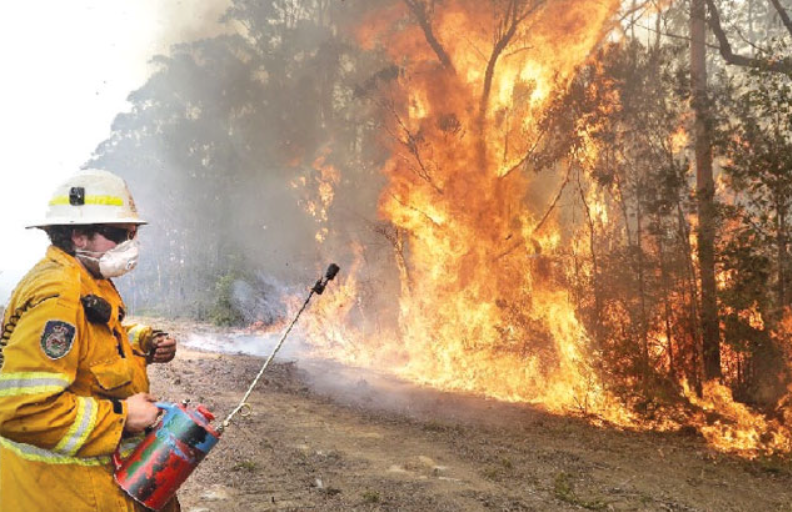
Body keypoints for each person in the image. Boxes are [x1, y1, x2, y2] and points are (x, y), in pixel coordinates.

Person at [0, 169, 179, 512]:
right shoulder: (58, 296)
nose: (130, 245)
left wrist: (145, 340)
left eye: (133, 234)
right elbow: (22, 409)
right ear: (79, 236)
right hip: (63, 495)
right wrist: (122, 416)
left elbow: (97, 340)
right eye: (119, 234)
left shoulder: (89, 279)